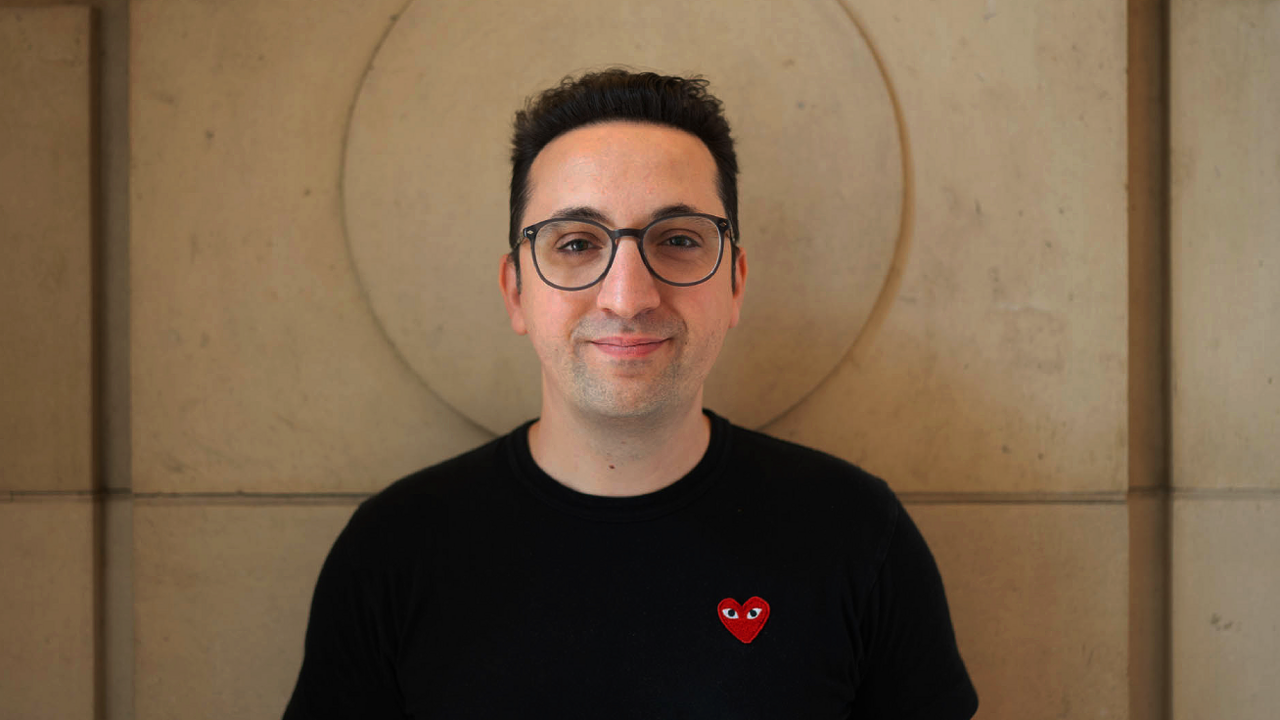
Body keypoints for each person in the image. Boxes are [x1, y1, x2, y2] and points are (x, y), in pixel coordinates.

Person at [284, 68, 978, 719]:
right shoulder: (395, 551)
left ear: (735, 283)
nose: (628, 297)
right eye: (578, 244)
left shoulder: (856, 535)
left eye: (677, 238)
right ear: (515, 290)